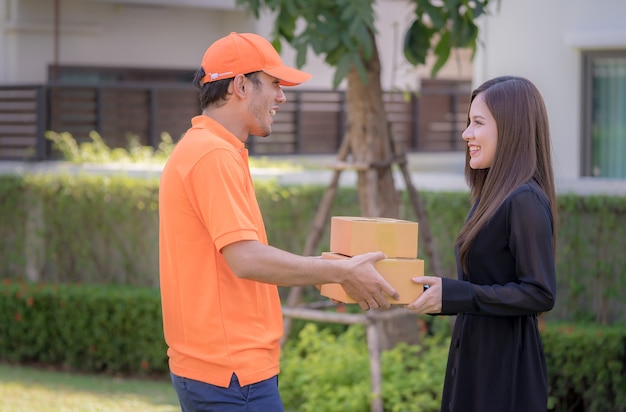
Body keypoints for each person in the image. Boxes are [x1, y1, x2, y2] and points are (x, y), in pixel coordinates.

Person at [158, 32, 399, 412]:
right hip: (231, 375)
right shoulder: (212, 155)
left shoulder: (206, 148)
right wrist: (339, 272)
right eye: (274, 84)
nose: (282, 97)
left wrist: (333, 268)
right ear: (240, 85)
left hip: (216, 371)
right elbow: (246, 259)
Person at [408, 76, 557, 412]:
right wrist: (441, 294)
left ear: (511, 128)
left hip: (504, 371)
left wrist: (458, 294)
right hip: (475, 357)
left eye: (477, 123)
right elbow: (483, 285)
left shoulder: (525, 200)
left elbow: (540, 292)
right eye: (468, 123)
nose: (466, 134)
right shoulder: (492, 196)